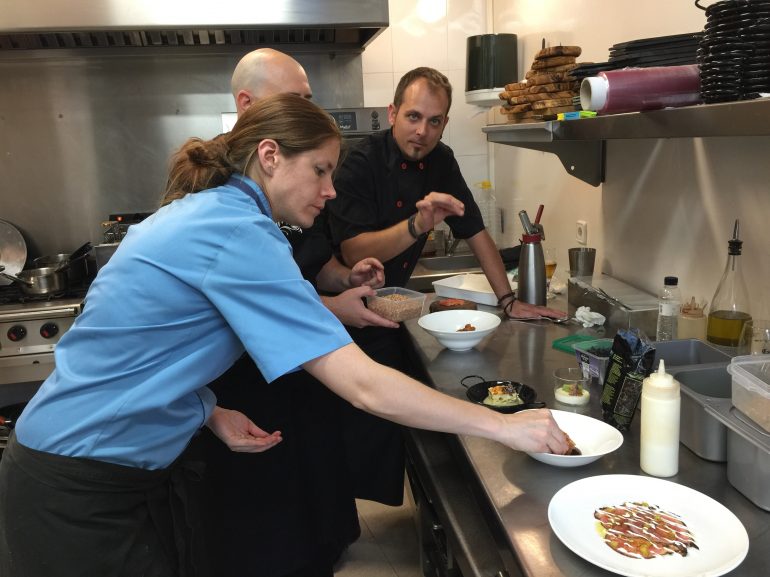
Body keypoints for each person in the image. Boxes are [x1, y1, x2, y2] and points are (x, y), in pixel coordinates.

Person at [0, 94, 569, 577]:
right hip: (77, 488)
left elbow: (149, 351)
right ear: (269, 156)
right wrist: (503, 426)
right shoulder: (238, 230)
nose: (329, 191)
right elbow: (363, 386)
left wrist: (205, 409)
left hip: (94, 469)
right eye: (321, 170)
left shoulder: (215, 213)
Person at [193, 48, 396, 577]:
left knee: (315, 498)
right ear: (248, 108)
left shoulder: (283, 184)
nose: (311, 111)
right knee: (268, 518)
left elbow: (312, 257)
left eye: (310, 100)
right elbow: (241, 309)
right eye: (296, 101)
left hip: (302, 366)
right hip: (249, 381)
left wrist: (341, 282)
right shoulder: (220, 198)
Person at [326, 67, 566, 505]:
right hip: (340, 305)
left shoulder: (442, 162)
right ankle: (341, 515)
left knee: (383, 427)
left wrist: (509, 300)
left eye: (434, 121)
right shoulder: (359, 162)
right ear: (392, 113)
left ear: (445, 123)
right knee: (346, 425)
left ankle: (391, 509)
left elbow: (475, 231)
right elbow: (352, 249)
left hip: (391, 308)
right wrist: (419, 223)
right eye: (413, 117)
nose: (422, 131)